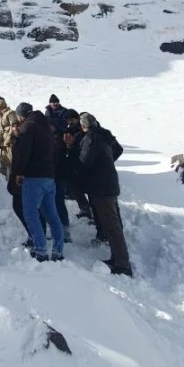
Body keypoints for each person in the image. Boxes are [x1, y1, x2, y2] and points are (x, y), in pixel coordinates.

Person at [78, 112, 131, 276]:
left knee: (111, 223)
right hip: (109, 182)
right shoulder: (104, 134)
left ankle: (122, 263)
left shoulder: (92, 138)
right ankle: (118, 256)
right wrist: (106, 162)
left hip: (100, 186)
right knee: (114, 221)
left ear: (84, 125)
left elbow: (84, 161)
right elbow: (117, 150)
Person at [11, 102, 64, 262]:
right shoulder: (46, 128)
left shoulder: (28, 127)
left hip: (33, 177)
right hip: (49, 177)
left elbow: (22, 152)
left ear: (21, 115)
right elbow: (55, 152)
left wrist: (19, 172)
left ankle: (40, 250)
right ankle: (58, 251)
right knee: (52, 215)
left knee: (31, 214)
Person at [63, 109, 92, 221]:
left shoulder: (84, 131)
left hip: (84, 164)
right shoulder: (69, 130)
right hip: (74, 164)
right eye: (68, 121)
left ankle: (94, 213)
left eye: (72, 120)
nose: (69, 123)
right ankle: (85, 209)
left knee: (91, 191)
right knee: (75, 188)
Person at [0, 98, 17, 178]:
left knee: (11, 162)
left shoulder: (10, 113)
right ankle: (3, 179)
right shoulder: (0, 117)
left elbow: (14, 126)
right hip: (3, 142)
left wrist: (8, 139)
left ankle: (12, 180)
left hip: (10, 142)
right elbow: (1, 129)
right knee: (3, 160)